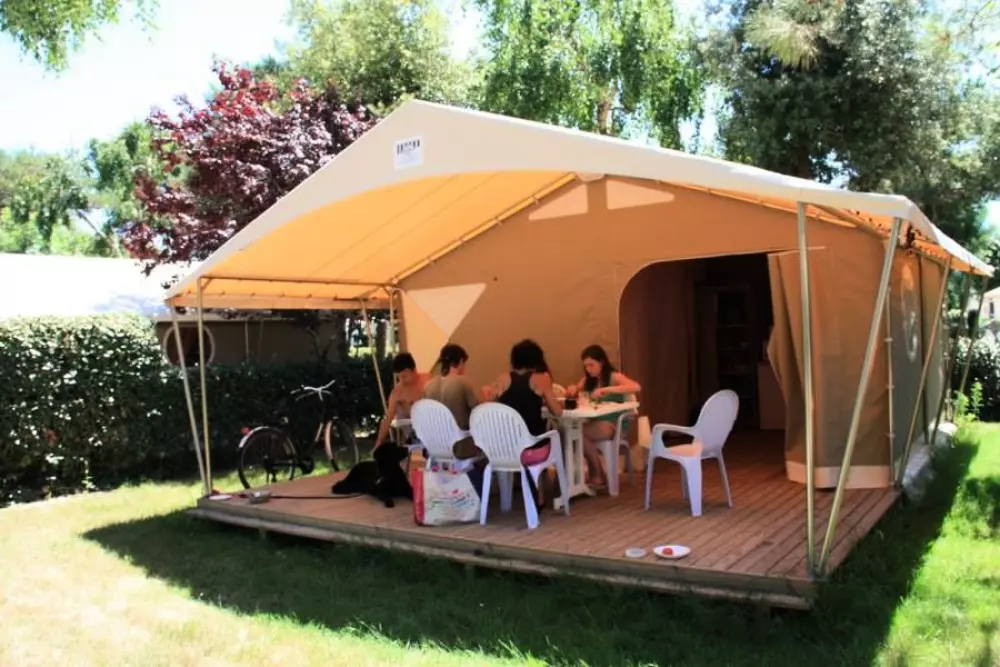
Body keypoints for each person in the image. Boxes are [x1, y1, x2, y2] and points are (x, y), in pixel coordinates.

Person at [482, 339, 564, 505]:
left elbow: (486, 406)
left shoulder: (502, 379)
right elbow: (557, 412)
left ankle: (515, 495)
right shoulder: (540, 379)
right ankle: (545, 493)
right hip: (532, 448)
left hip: (504, 448)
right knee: (552, 435)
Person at [564, 344, 641, 489]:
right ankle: (597, 473)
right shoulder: (588, 380)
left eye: (591, 365)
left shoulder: (614, 377)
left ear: (602, 362)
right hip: (595, 421)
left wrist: (607, 390)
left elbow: (636, 387)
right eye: (586, 366)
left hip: (614, 423)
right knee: (573, 432)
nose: (589, 369)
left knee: (576, 433)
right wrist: (572, 389)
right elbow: (575, 391)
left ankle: (597, 474)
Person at [422, 343, 482, 460]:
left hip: (435, 447)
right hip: (460, 447)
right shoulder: (463, 382)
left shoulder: (428, 385)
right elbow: (477, 413)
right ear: (461, 361)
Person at [373, 352, 426, 450]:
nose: (402, 380)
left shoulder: (428, 383)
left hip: (434, 428)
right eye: (399, 377)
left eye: (404, 376)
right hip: (415, 433)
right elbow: (388, 419)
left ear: (414, 370)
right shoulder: (398, 392)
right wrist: (379, 442)